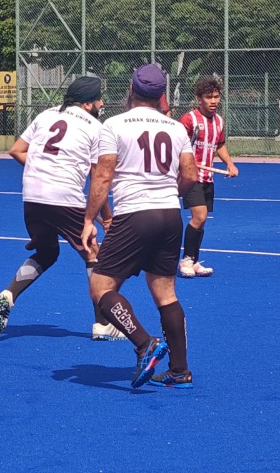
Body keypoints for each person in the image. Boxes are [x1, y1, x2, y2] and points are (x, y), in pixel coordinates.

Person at [81, 64, 198, 389]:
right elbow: (190, 175)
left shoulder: (114, 124)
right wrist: (168, 194)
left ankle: (145, 343)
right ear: (162, 96)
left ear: (131, 90)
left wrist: (89, 219)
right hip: (170, 215)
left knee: (101, 288)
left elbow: (103, 176)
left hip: (134, 214)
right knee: (166, 293)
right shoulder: (176, 128)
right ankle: (179, 371)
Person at [0, 76, 122, 341]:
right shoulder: (96, 127)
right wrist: (107, 217)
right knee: (92, 252)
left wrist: (44, 166)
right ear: (87, 104)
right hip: (64, 197)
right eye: (98, 99)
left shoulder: (46, 115)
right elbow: (98, 178)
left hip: (32, 196)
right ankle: (102, 324)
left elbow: (16, 150)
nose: (102, 103)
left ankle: (9, 294)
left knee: (47, 252)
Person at [177, 75, 238, 278]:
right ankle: (186, 260)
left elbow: (219, 145)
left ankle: (194, 260)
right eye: (208, 97)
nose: (213, 101)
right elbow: (176, 144)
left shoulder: (219, 121)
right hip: (190, 177)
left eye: (216, 96)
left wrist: (229, 164)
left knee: (202, 221)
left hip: (207, 177)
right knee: (199, 216)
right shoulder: (189, 119)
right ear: (199, 99)